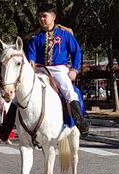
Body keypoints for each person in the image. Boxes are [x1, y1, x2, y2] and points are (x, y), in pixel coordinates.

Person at [26, 2, 90, 135]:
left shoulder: (65, 34)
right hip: (40, 70)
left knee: (69, 92)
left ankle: (80, 122)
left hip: (59, 69)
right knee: (21, 92)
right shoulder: (35, 37)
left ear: (53, 17)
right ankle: (6, 128)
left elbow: (77, 52)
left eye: (44, 16)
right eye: (40, 17)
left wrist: (74, 69)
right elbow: (30, 53)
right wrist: (31, 61)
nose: (42, 19)